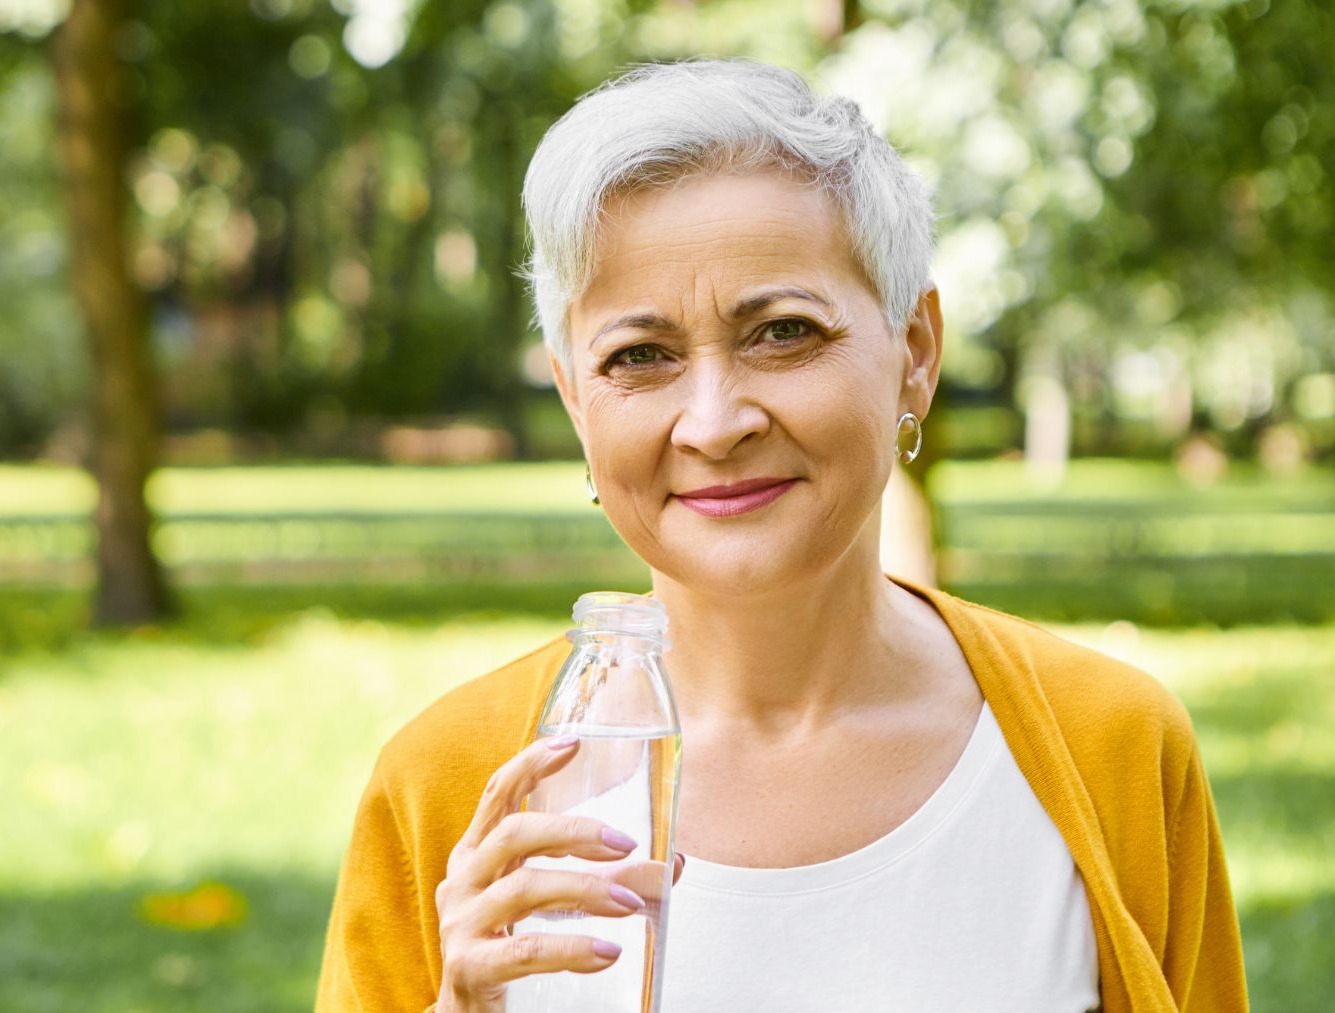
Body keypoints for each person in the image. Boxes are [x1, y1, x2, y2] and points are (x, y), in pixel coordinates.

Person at [315, 59, 1246, 1013]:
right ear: (574, 397)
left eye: (784, 333)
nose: (715, 422)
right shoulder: (446, 786)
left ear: (915, 354)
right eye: (641, 356)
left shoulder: (1116, 751)